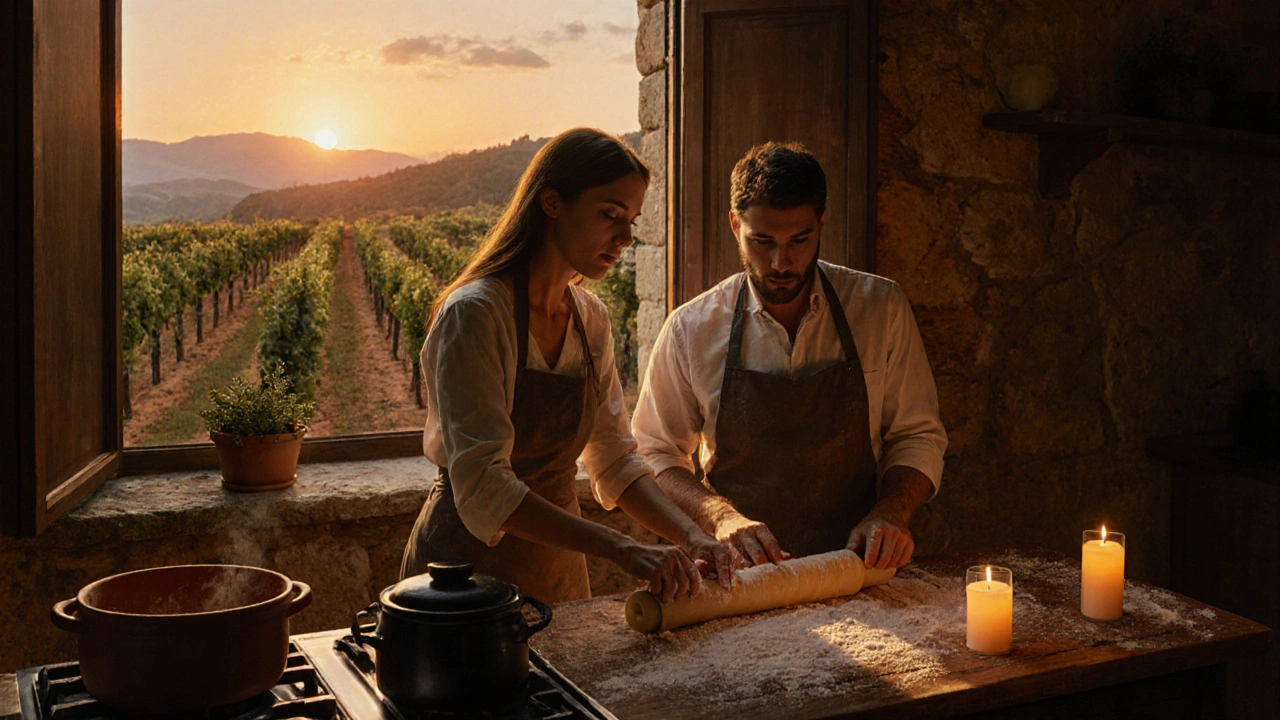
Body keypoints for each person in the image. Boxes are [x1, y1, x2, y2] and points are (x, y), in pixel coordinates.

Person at [401, 128, 734, 605]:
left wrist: (692, 535)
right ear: (552, 203)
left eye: (632, 221)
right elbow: (484, 485)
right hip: (460, 581)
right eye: (610, 215)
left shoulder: (589, 320)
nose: (625, 237)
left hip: (556, 574)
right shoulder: (475, 315)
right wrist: (621, 548)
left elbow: (615, 459)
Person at [632, 141, 947, 572]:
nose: (782, 262)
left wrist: (891, 513)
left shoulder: (880, 307)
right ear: (733, 225)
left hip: (854, 567)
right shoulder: (692, 329)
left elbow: (918, 436)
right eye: (761, 241)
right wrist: (721, 518)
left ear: (821, 223)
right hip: (738, 574)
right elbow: (655, 453)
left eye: (799, 239)